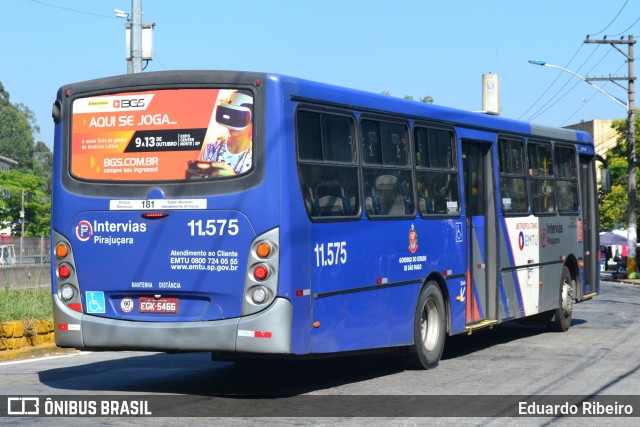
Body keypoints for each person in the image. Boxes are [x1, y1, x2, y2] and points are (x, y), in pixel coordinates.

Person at [186, 90, 253, 178]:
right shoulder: (211, 149)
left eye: (238, 116)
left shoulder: (255, 157)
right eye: (230, 113)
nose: (231, 121)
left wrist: (233, 182)